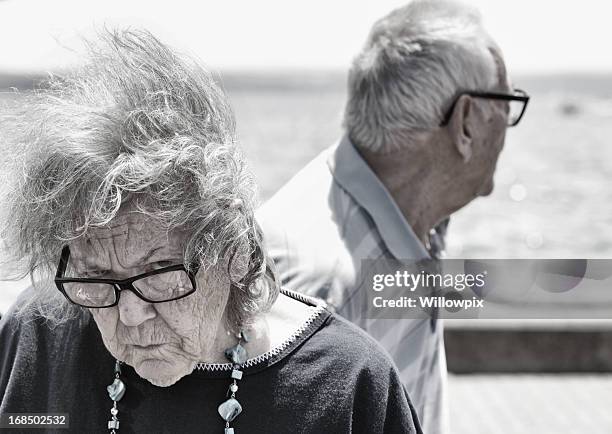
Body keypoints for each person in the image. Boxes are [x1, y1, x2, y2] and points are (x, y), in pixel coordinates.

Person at [0, 30, 422, 434]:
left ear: (234, 249)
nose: (128, 315)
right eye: (96, 276)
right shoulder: (37, 336)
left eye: (159, 273)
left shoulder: (349, 384)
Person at [257, 1, 530, 433]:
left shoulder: (413, 215)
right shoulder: (324, 285)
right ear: (466, 123)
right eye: (507, 102)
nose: (509, 122)